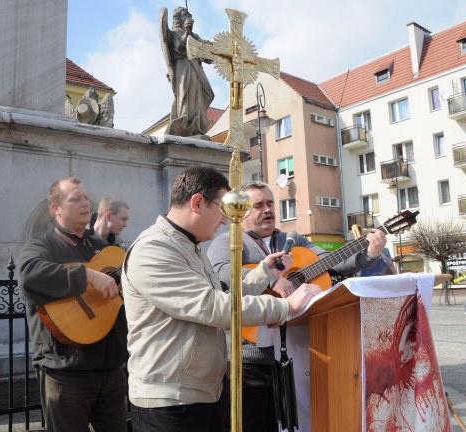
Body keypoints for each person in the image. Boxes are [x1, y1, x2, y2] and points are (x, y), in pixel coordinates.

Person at [122, 166, 321, 432]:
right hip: (169, 401)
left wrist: (264, 272)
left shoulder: (189, 247)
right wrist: (284, 307)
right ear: (197, 203)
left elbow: (222, 297)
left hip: (200, 392)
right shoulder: (154, 249)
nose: (227, 220)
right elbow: (211, 307)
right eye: (223, 208)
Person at [206, 181, 387, 432]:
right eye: (258, 205)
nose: (267, 209)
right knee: (254, 424)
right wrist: (272, 278)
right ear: (242, 211)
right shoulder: (227, 241)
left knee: (295, 423)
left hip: (296, 356)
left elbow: (330, 261)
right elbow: (223, 277)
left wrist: (369, 253)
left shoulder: (293, 239)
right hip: (251, 359)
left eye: (270, 203)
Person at [18, 177, 128, 432]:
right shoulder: (42, 245)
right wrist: (86, 276)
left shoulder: (104, 247)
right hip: (65, 371)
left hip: (111, 370)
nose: (85, 203)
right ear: (56, 208)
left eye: (85, 198)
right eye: (75, 198)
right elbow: (28, 276)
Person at [159, 6, 215, 137]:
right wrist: (187, 33)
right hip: (183, 69)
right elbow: (178, 49)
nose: (187, 17)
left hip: (196, 69)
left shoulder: (195, 36)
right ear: (178, 18)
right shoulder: (173, 34)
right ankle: (186, 126)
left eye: (188, 15)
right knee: (187, 95)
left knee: (206, 94)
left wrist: (215, 48)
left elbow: (207, 55)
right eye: (184, 15)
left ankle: (197, 126)